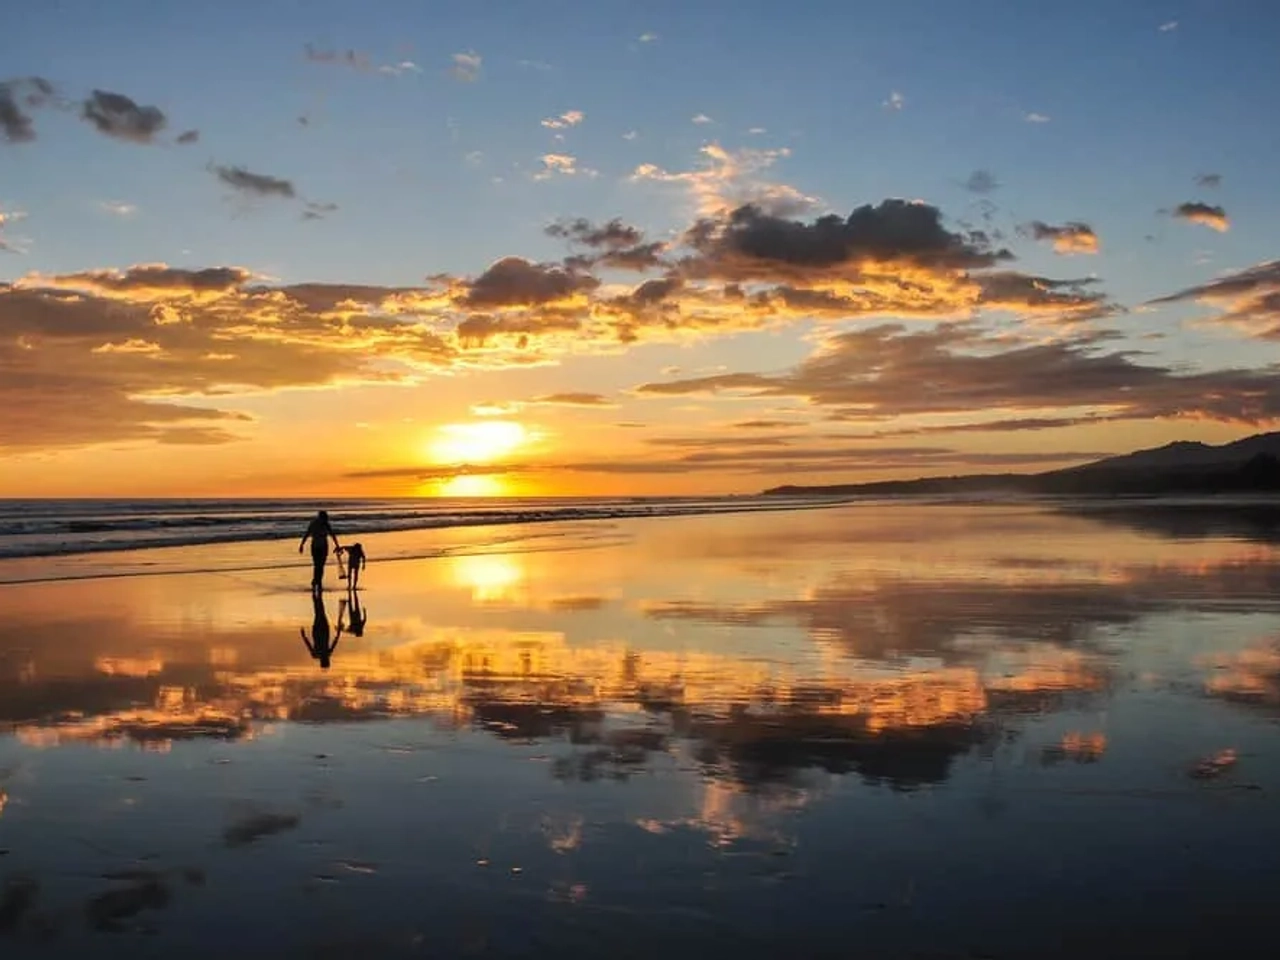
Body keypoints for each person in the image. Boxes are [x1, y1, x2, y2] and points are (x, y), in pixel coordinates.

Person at [298, 510, 341, 592]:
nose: (326, 519)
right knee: (319, 566)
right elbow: (307, 534)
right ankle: (317, 582)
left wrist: (337, 545)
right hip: (318, 547)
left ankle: (317, 582)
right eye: (325, 518)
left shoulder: (320, 524)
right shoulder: (319, 524)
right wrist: (302, 545)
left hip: (319, 547)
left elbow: (332, 535)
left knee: (319, 566)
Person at [301, 592, 340, 669]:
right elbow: (308, 645)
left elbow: (308, 645)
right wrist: (304, 636)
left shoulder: (321, 654)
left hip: (321, 631)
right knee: (319, 613)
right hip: (319, 631)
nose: (328, 659)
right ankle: (316, 596)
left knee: (320, 612)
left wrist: (304, 636)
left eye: (327, 661)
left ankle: (317, 596)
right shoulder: (317, 654)